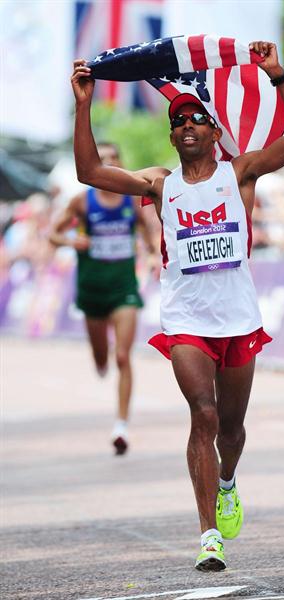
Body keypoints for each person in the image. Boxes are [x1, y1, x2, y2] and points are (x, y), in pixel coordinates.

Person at [70, 40, 284, 570]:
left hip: (239, 316)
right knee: (201, 414)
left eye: (196, 120)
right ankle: (208, 535)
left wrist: (278, 75)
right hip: (185, 320)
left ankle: (227, 481)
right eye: (178, 121)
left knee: (231, 427)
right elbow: (90, 172)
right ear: (172, 134)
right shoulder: (160, 185)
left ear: (212, 131)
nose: (187, 128)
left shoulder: (241, 173)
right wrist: (84, 104)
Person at [49, 142, 157, 455]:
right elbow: (53, 234)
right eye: (103, 160)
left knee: (122, 357)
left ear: (121, 165)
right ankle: (99, 357)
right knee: (102, 359)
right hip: (92, 289)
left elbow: (147, 237)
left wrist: (151, 257)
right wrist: (71, 239)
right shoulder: (82, 202)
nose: (108, 164)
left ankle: (121, 426)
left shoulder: (132, 202)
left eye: (114, 159)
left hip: (123, 288)